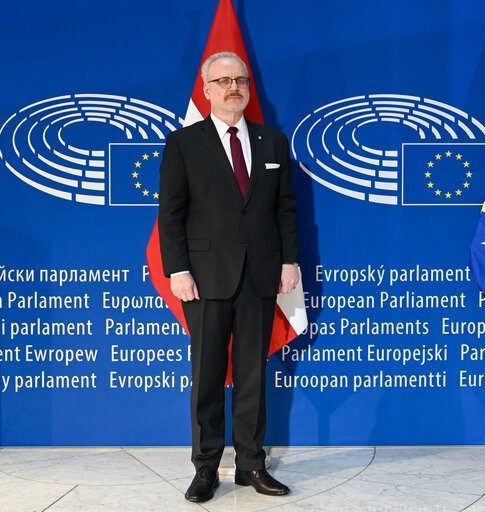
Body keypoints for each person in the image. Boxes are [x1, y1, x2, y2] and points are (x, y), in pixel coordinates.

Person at [158, 51, 300, 503]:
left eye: (240, 80)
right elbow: (172, 214)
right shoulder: (184, 143)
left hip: (260, 276)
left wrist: (289, 260)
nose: (232, 87)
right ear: (207, 89)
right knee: (206, 377)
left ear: (248, 88)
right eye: (222, 81)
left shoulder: (273, 142)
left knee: (253, 375)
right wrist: (177, 269)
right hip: (203, 277)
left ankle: (251, 465)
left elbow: (284, 209)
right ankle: (205, 469)